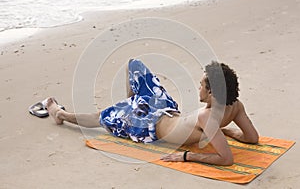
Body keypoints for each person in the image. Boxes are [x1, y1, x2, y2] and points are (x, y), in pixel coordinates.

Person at [46, 59, 259, 166]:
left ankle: (61, 114)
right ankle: (132, 102)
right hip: (165, 109)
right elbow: (252, 138)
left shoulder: (207, 116)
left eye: (201, 85)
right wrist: (229, 132)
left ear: (212, 92)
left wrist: (186, 156)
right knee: (134, 65)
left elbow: (226, 159)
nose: (199, 88)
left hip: (146, 126)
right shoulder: (236, 106)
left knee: (100, 117)